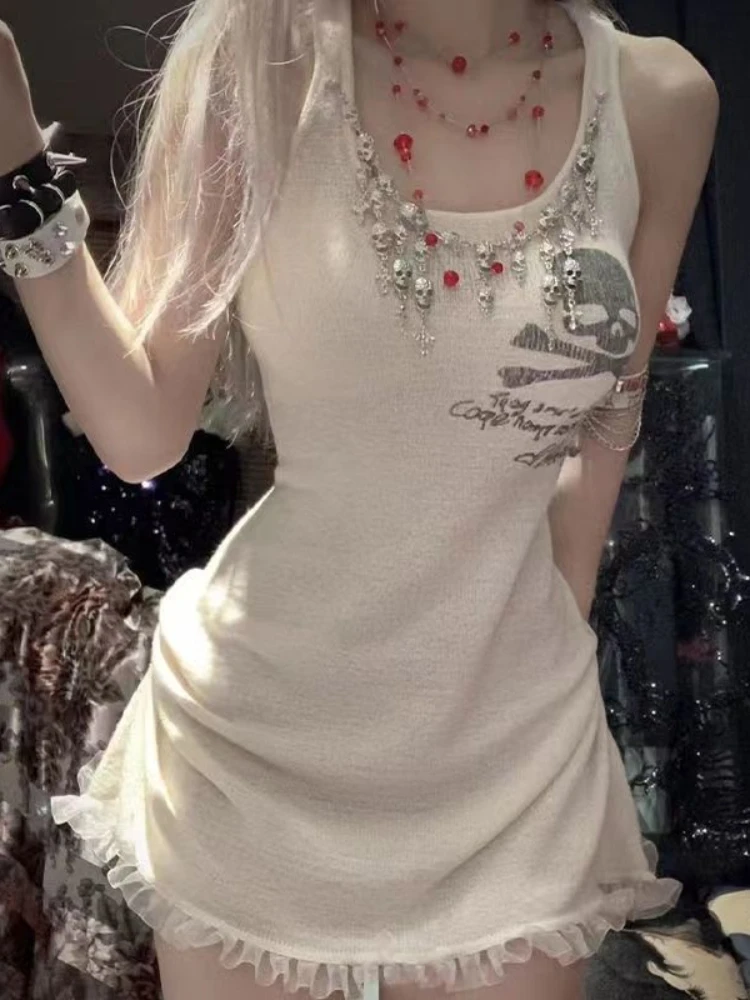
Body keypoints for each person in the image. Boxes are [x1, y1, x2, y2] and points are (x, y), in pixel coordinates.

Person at [0, 0, 718, 998]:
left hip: (515, 762)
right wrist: (16, 170)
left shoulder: (661, 98)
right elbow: (141, 432)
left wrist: (556, 626)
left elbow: (608, 420)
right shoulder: (259, 55)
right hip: (260, 753)